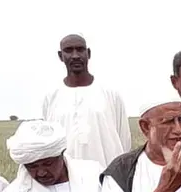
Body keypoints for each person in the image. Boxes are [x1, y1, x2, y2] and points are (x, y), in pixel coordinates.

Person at [42, 33, 131, 168]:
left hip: (107, 173)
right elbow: (49, 142)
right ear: (60, 56)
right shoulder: (51, 97)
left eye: (80, 49)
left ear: (88, 53)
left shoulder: (110, 93)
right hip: (67, 176)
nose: (75, 56)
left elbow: (124, 138)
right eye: (68, 50)